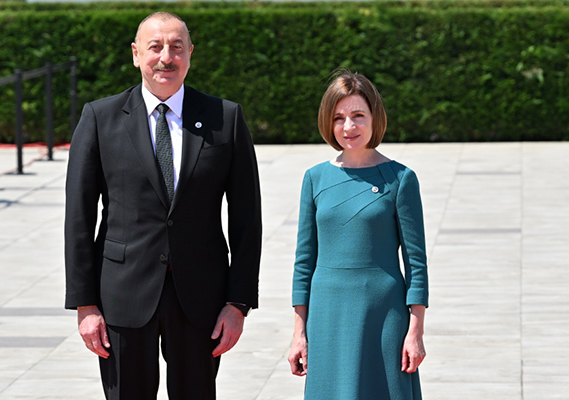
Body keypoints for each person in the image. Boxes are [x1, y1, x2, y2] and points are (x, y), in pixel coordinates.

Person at [64, 12, 262, 400]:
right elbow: (78, 219)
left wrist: (238, 303)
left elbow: (246, 219)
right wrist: (84, 305)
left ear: (190, 53)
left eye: (176, 47)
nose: (166, 58)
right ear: (136, 54)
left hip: (201, 298)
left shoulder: (225, 118)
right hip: (122, 295)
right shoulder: (100, 118)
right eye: (155, 47)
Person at [287, 69, 429, 399]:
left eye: (358, 116)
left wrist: (415, 331)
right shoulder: (314, 178)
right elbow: (304, 262)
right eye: (338, 118)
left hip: (384, 316)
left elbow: (416, 263)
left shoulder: (401, 179)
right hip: (327, 316)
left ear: (374, 117)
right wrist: (299, 333)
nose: (348, 126)